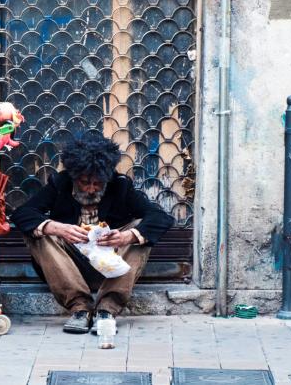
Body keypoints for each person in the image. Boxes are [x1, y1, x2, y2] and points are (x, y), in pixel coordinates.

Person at [10, 131, 174, 335]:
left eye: (97, 184)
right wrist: (57, 228)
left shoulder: (120, 185)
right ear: (74, 177)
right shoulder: (60, 183)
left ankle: (107, 310)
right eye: (84, 182)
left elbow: (160, 218)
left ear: (107, 179)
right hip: (67, 269)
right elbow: (22, 214)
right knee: (39, 230)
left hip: (110, 268)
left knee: (141, 229)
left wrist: (126, 236)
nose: (90, 189)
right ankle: (80, 309)